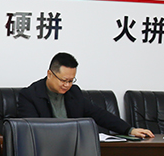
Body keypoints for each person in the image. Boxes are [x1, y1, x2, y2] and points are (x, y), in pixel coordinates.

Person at [18, 52, 154, 139]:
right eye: (63, 80)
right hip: (44, 149)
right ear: (49, 74)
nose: (67, 85)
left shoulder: (74, 93)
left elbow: (99, 114)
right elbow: (31, 131)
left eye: (71, 81)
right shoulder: (30, 95)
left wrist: (130, 130)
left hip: (73, 147)